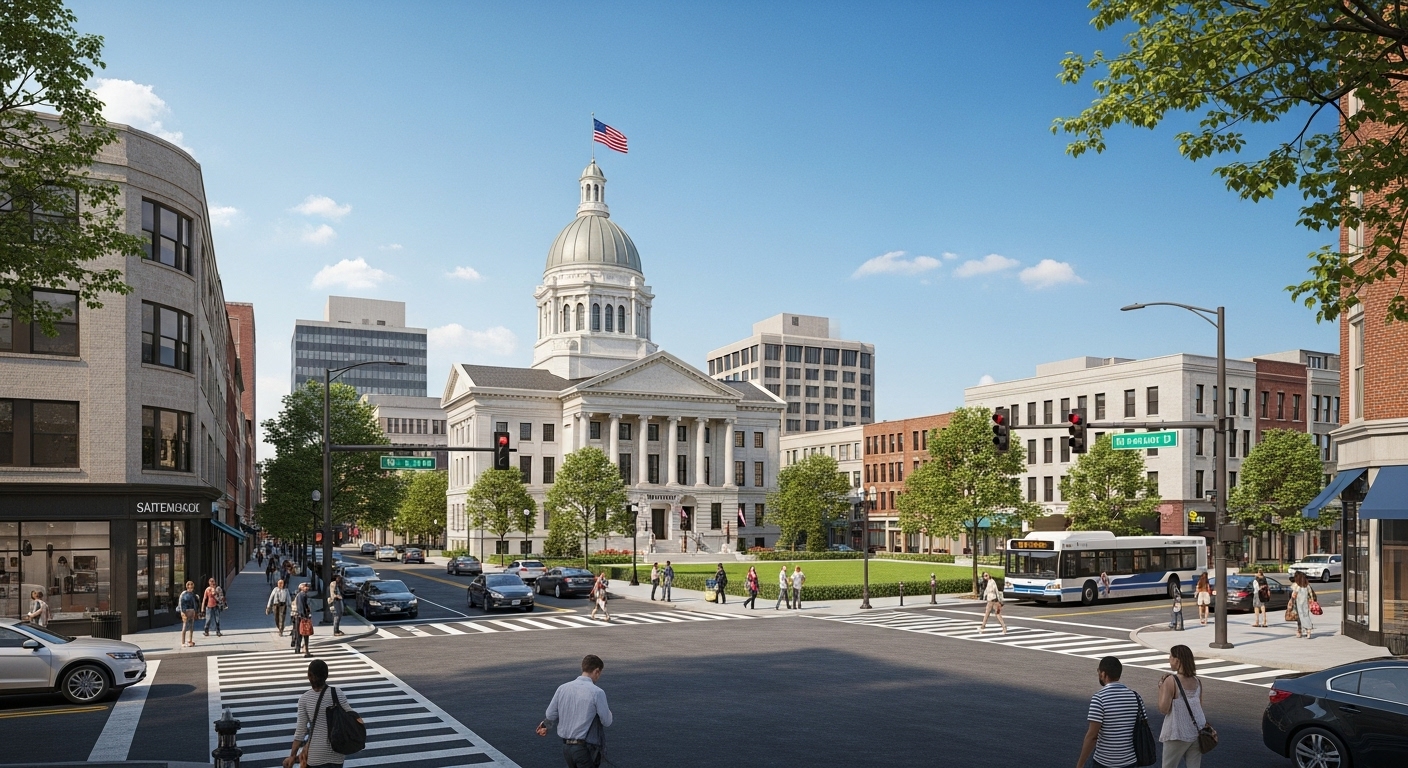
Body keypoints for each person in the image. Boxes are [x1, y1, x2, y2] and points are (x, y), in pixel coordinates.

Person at [281, 659, 361, 768]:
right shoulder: (337, 693)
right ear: (326, 675)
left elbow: (301, 731)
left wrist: (292, 756)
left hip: (315, 757)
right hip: (337, 754)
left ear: (309, 676)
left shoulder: (304, 699)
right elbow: (351, 715)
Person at [537, 654, 613, 768]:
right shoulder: (597, 692)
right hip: (586, 749)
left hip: (567, 748)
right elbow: (606, 721)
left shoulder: (562, 688)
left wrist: (545, 725)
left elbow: (550, 714)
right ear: (597, 671)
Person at [1076, 656, 1143, 768]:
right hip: (1130, 760)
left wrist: (1080, 764)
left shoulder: (1099, 698)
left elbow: (1092, 736)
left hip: (1104, 761)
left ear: (1103, 674)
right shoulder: (1136, 697)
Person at [1157, 645, 1209, 768]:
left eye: (1171, 656)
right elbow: (1199, 706)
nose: (1169, 659)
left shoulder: (1171, 681)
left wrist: (1161, 688)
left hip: (1177, 732)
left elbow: (1163, 709)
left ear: (1177, 660)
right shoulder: (1197, 681)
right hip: (1197, 731)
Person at [1290, 571, 1315, 639]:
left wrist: (1291, 601)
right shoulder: (1307, 585)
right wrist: (1312, 601)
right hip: (1305, 604)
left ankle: (1300, 631)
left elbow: (1294, 595)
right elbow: (1311, 594)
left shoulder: (1297, 586)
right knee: (1306, 616)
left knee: (1300, 618)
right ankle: (1308, 631)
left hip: (1298, 604)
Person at [293, 582, 315, 656]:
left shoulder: (301, 595)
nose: (307, 588)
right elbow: (301, 607)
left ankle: (298, 649)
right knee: (305, 633)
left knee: (299, 633)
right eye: (305, 586)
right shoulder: (302, 595)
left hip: (300, 616)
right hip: (302, 617)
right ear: (301, 588)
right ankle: (306, 650)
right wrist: (304, 616)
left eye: (307, 586)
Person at [177, 581, 199, 647]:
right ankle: (183, 642)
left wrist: (196, 611)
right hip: (186, 611)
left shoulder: (193, 594)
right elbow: (181, 603)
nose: (190, 588)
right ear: (187, 587)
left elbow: (195, 603)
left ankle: (190, 640)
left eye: (192, 587)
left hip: (192, 611)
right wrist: (182, 611)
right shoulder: (184, 594)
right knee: (185, 626)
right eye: (189, 586)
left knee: (191, 627)